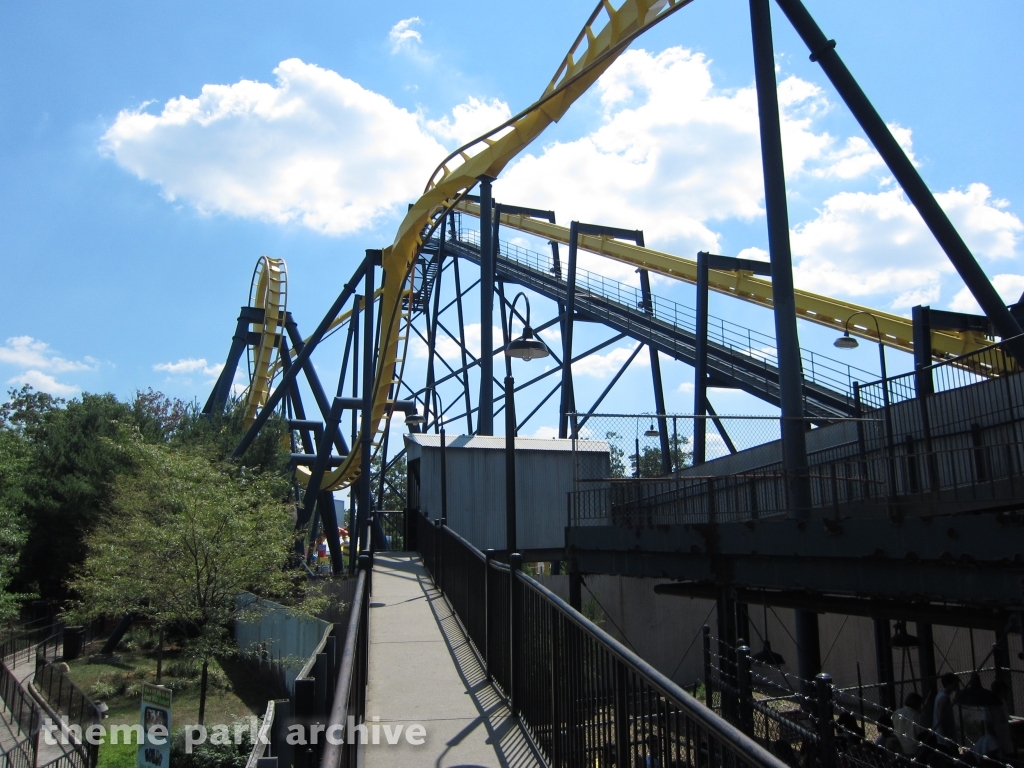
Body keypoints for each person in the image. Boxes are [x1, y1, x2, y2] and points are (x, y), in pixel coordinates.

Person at [933, 673, 960, 749]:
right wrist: (946, 738)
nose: (957, 684)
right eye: (955, 682)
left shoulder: (940, 696)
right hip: (945, 741)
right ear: (949, 684)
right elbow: (942, 719)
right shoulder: (944, 698)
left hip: (942, 738)